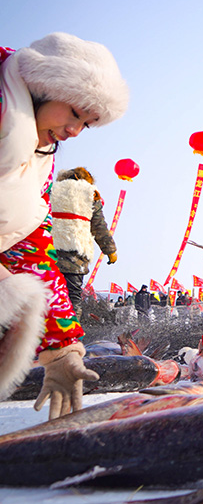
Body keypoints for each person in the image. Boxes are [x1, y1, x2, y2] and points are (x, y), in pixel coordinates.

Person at [0, 33, 129, 416]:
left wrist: (62, 351)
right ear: (42, 87)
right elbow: (99, 224)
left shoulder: (34, 162)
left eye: (86, 124)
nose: (74, 130)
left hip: (68, 254)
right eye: (74, 112)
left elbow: (31, 245)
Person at [49, 167, 118, 312]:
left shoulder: (50, 190)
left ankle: (44, 332)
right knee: (72, 298)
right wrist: (110, 251)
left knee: (47, 295)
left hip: (48, 250)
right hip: (76, 254)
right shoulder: (90, 194)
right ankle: (70, 331)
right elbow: (99, 226)